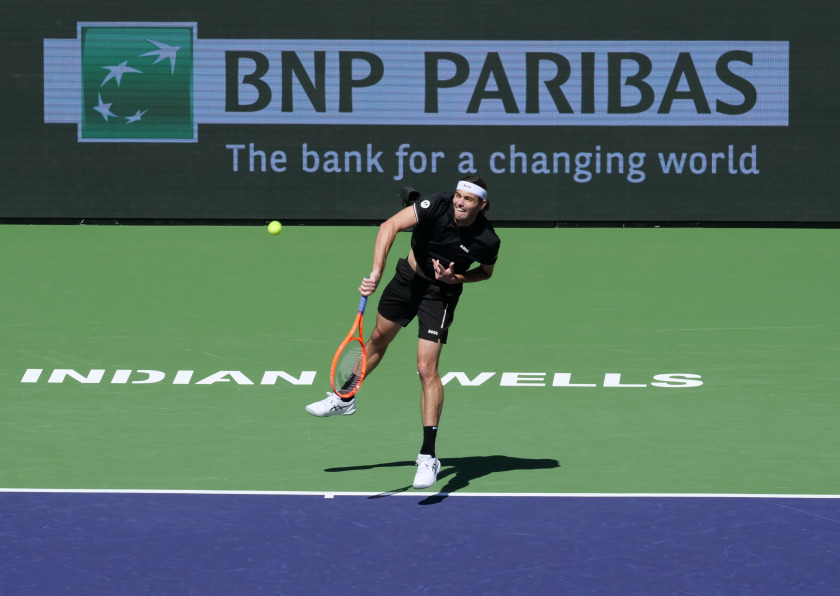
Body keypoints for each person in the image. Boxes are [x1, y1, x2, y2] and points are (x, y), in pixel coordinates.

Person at [305, 175, 501, 490]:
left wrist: (456, 279)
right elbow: (389, 226)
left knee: (426, 369)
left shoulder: (488, 240)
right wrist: (377, 272)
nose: (460, 203)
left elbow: (486, 272)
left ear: (482, 204)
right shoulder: (436, 204)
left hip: (440, 296)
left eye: (468, 200)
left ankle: (428, 455)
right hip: (407, 279)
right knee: (377, 340)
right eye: (458, 196)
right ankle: (345, 397)